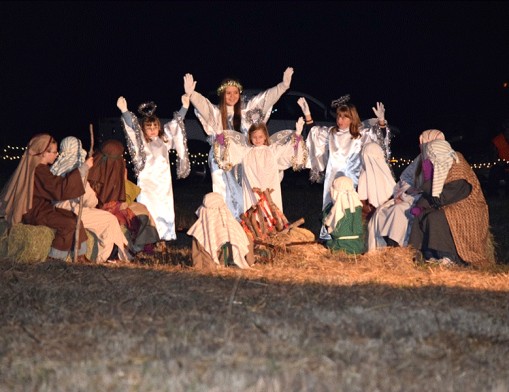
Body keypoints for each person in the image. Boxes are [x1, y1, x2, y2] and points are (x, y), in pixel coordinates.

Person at [183, 67, 294, 219]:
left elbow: (267, 98)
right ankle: (225, 222)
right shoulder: (216, 113)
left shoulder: (248, 110)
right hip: (222, 160)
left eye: (235, 92)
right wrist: (192, 94)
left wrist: (283, 86)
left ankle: (250, 220)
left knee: (248, 190)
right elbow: (203, 105)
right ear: (222, 94)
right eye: (228, 93)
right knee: (224, 191)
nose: (232, 96)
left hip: (245, 159)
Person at [299, 95, 392, 239]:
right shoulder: (332, 133)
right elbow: (314, 133)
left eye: (344, 117)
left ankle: (349, 235)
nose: (339, 120)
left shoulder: (361, 134)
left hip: (351, 177)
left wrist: (381, 121)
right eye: (338, 117)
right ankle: (329, 236)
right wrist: (307, 115)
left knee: (349, 206)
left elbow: (380, 138)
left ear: (352, 118)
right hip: (333, 177)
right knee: (331, 205)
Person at [0, 133, 93, 262]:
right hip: (34, 211)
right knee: (68, 224)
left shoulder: (40, 168)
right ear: (43, 153)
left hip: (42, 208)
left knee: (75, 218)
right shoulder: (39, 170)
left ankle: (80, 255)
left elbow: (55, 185)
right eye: (53, 152)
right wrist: (83, 169)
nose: (56, 155)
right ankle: (54, 258)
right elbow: (57, 188)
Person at [116, 94, 191, 243]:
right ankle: (147, 237)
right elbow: (133, 128)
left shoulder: (164, 141)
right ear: (144, 129)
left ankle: (164, 235)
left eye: (155, 126)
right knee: (148, 208)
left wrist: (184, 107)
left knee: (164, 209)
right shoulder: (141, 142)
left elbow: (175, 125)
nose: (152, 130)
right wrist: (124, 111)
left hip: (163, 185)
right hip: (147, 183)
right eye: (148, 127)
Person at [408, 139, 490, 267]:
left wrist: (428, 180)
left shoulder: (458, 172)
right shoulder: (444, 167)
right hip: (450, 205)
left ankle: (449, 256)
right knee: (422, 216)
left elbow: (440, 199)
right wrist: (420, 206)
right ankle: (420, 254)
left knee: (436, 217)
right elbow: (436, 194)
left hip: (468, 210)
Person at [50, 136, 132, 263]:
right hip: (71, 209)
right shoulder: (77, 171)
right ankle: (107, 257)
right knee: (109, 220)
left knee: (104, 221)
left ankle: (123, 252)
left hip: (58, 207)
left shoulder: (56, 167)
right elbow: (90, 199)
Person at [367, 129, 446, 250]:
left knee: (399, 211)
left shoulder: (443, 160)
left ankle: (397, 247)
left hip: (427, 200)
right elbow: (405, 178)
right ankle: (385, 245)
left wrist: (413, 194)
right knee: (383, 211)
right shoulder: (420, 159)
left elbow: (436, 187)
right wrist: (403, 193)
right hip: (411, 196)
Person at [213, 118, 307, 214]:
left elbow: (288, 148)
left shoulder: (272, 151)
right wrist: (220, 135)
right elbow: (229, 149)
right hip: (252, 190)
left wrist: (297, 135)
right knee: (255, 211)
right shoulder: (246, 152)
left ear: (265, 137)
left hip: (270, 188)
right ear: (250, 137)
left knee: (271, 211)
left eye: (260, 136)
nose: (257, 140)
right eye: (254, 137)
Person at [87, 139, 160, 254]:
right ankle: (132, 247)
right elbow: (93, 200)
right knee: (131, 216)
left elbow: (121, 192)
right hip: (102, 209)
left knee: (143, 210)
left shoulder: (117, 167)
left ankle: (142, 244)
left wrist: (124, 179)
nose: (122, 160)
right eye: (120, 157)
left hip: (119, 204)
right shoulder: (93, 171)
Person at [187, 192, 253, 269]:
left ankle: (225, 263)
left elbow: (197, 260)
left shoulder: (199, 230)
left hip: (213, 267)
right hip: (225, 267)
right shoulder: (234, 225)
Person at [321, 176, 364, 254]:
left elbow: (325, 222)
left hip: (339, 246)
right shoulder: (357, 205)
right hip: (358, 246)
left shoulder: (332, 208)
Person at [357, 142, 396, 223]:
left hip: (372, 217)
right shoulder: (386, 172)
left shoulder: (365, 174)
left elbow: (361, 199)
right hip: (389, 214)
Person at [487, 118, 509, 197]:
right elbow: (493, 157)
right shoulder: (497, 140)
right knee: (494, 171)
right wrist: (499, 162)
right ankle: (492, 194)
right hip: (502, 167)